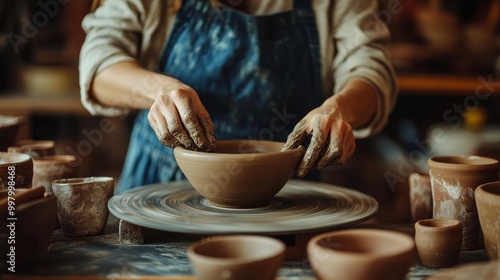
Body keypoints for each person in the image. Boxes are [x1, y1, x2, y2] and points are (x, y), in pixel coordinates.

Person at [79, 0, 398, 194]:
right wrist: (158, 90)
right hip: (161, 184)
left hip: (286, 189)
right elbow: (98, 62)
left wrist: (338, 109)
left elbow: (371, 70)